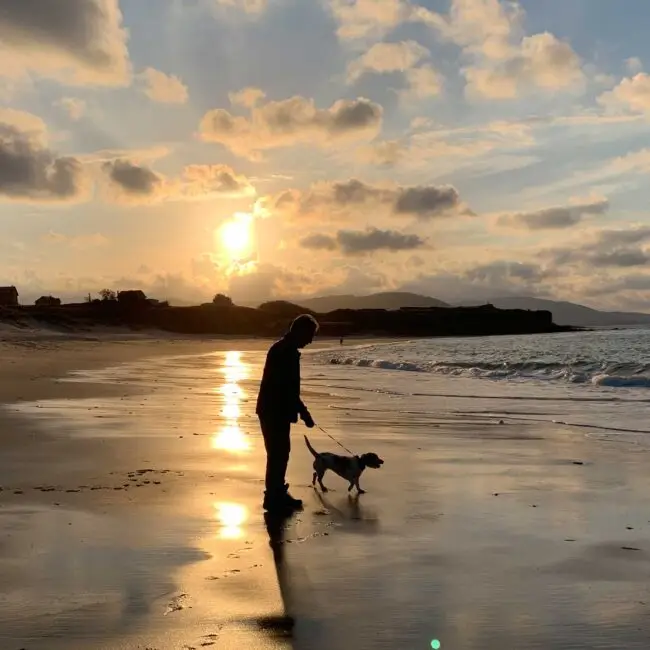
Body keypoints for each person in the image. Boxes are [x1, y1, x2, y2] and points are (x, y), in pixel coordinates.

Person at [256, 314, 318, 511]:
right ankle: (274, 497)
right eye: (310, 335)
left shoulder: (282, 348)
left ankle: (276, 494)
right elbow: (287, 388)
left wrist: (301, 411)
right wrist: (304, 413)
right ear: (300, 331)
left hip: (270, 408)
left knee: (278, 454)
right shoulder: (287, 352)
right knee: (279, 454)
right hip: (275, 410)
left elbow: (288, 389)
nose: (311, 340)